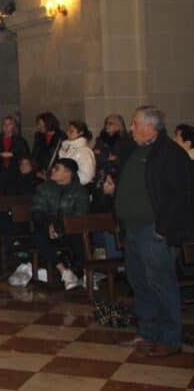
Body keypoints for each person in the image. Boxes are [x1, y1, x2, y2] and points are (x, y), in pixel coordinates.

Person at [115, 106, 191, 357]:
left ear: (150, 127)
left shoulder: (170, 153)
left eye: (135, 123)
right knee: (139, 282)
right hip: (133, 228)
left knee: (161, 284)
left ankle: (170, 339)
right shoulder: (135, 149)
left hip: (154, 231)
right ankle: (147, 332)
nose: (131, 128)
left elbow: (181, 195)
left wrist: (164, 229)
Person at [8, 158, 89, 289]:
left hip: (69, 228)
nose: (53, 170)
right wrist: (50, 224)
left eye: (57, 169)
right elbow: (37, 211)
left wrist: (60, 227)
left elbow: (80, 214)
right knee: (38, 236)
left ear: (68, 173)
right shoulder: (44, 188)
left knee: (80, 237)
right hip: (48, 227)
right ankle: (64, 272)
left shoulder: (79, 191)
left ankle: (87, 275)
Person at [0, 115, 30, 195]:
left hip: (16, 174)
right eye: (4, 124)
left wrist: (12, 154)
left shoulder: (20, 140)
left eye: (9, 124)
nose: (6, 127)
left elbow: (26, 156)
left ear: (13, 126)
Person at [58, 120, 96, 186]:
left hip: (76, 187)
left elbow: (86, 176)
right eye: (67, 130)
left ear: (81, 133)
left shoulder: (84, 151)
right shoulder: (66, 147)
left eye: (71, 131)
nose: (67, 133)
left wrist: (66, 180)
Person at [31, 112, 65, 179]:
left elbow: (62, 156)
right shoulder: (38, 136)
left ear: (48, 123)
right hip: (40, 172)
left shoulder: (61, 136)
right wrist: (37, 170)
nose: (39, 126)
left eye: (40, 124)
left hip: (55, 171)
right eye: (38, 124)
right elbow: (35, 154)